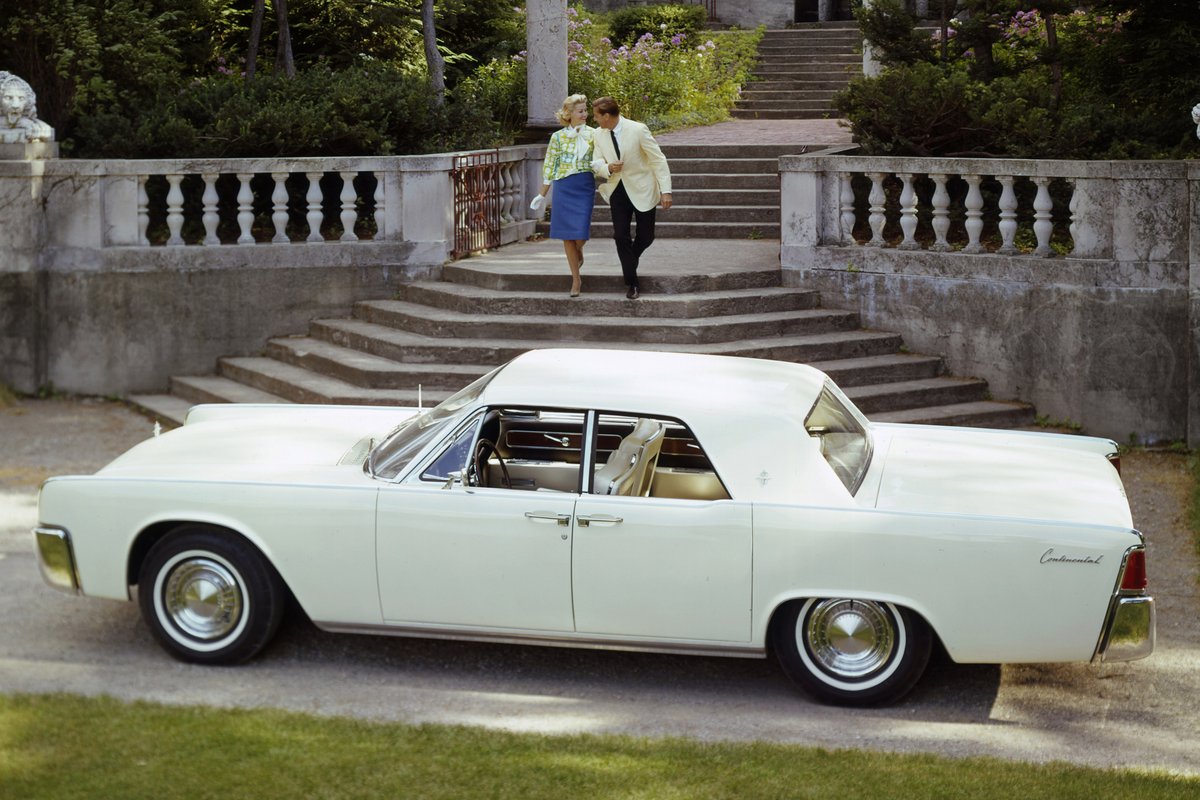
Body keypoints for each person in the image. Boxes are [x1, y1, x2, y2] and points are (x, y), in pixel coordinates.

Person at [590, 96, 672, 300]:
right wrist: (608, 168)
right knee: (620, 236)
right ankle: (632, 282)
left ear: (606, 116)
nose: (594, 119)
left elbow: (658, 160)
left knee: (646, 236)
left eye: (596, 116)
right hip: (617, 189)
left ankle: (630, 262)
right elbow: (596, 162)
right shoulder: (598, 134)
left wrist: (666, 191)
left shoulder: (638, 130)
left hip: (643, 188)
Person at [530, 94, 596, 297]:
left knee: (580, 234)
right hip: (564, 186)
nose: (585, 114)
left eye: (585, 110)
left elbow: (603, 158)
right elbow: (550, 164)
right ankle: (576, 279)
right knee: (567, 236)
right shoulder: (557, 137)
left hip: (584, 185)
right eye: (580, 111)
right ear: (569, 113)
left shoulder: (594, 134)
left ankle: (579, 250)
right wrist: (542, 193)